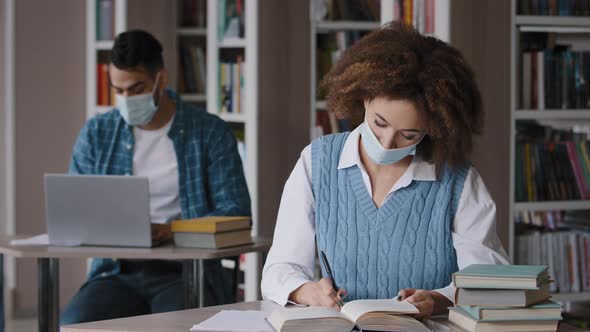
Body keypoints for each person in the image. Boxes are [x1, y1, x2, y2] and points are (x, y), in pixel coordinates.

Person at [261, 22, 509, 318]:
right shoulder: (317, 162)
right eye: (379, 123)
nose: (388, 144)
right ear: (364, 97)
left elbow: (491, 281)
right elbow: (279, 270)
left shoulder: (457, 179)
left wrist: (439, 299)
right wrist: (308, 291)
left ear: (433, 127)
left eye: (409, 134)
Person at [61, 30, 250, 325]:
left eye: (136, 89)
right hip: (115, 271)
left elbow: (236, 211)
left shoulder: (210, 133)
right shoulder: (97, 133)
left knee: (179, 326)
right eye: (118, 90)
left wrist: (170, 230)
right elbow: (75, 209)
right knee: (74, 324)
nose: (126, 99)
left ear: (161, 79)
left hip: (185, 272)